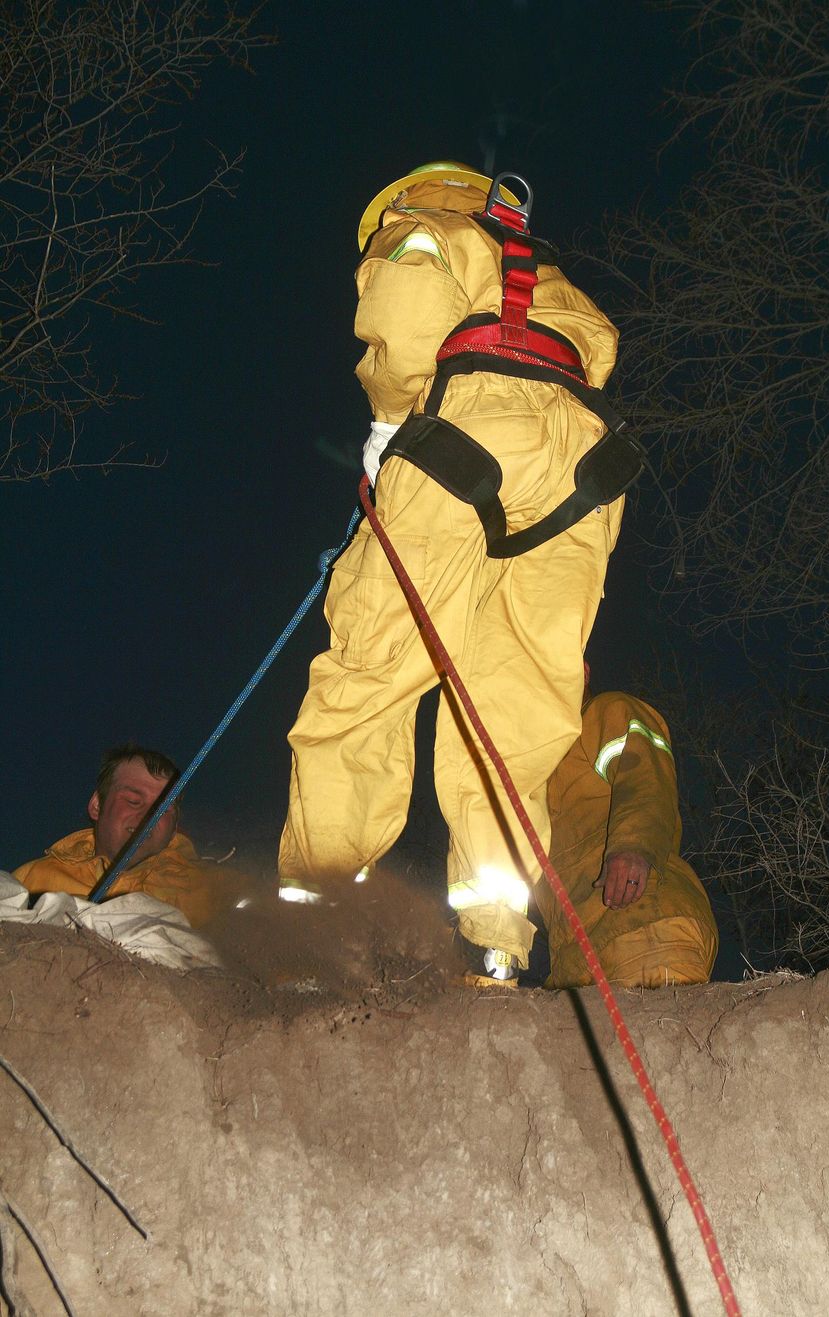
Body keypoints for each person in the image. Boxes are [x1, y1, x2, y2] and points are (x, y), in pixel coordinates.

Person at [279, 162, 641, 986]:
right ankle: (495, 941)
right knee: (512, 718)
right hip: (584, 469)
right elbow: (598, 357)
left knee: (367, 678)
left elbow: (404, 317)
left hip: (465, 428)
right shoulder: (548, 278)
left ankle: (318, 922)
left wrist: (389, 423)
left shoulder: (422, 229)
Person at [532, 663, 719, 989]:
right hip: (574, 956)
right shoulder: (534, 775)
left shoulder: (607, 713)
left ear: (584, 672)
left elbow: (644, 778)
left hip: (642, 922)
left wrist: (633, 846)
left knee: (662, 1034)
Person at [14, 744, 224, 928]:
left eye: (163, 809)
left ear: (174, 827)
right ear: (97, 806)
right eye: (133, 801)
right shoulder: (32, 879)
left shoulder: (211, 887)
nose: (149, 816)